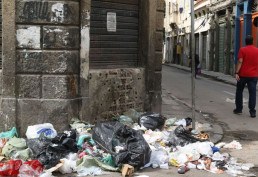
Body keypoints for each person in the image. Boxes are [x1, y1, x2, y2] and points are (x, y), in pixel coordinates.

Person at [234, 35, 258, 118]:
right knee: (252, 93)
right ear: (253, 41)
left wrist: (236, 72)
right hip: (253, 76)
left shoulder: (242, 50)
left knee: (239, 91)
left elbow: (240, 61)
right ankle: (252, 112)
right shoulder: (257, 50)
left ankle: (239, 109)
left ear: (245, 41)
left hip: (243, 75)